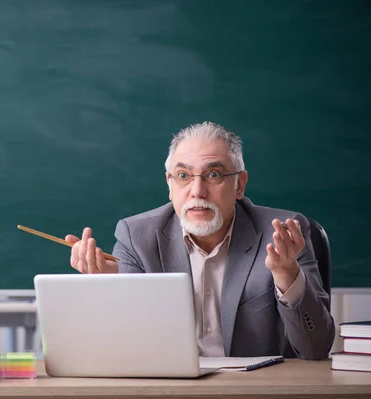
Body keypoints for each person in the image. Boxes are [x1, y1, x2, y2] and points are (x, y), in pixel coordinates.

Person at [65, 122, 334, 360]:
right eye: (183, 176)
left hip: (255, 391)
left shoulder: (282, 234)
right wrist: (107, 290)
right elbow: (128, 350)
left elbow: (316, 348)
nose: (197, 191)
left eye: (213, 175)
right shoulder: (136, 238)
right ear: (169, 185)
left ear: (239, 185)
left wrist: (287, 276)